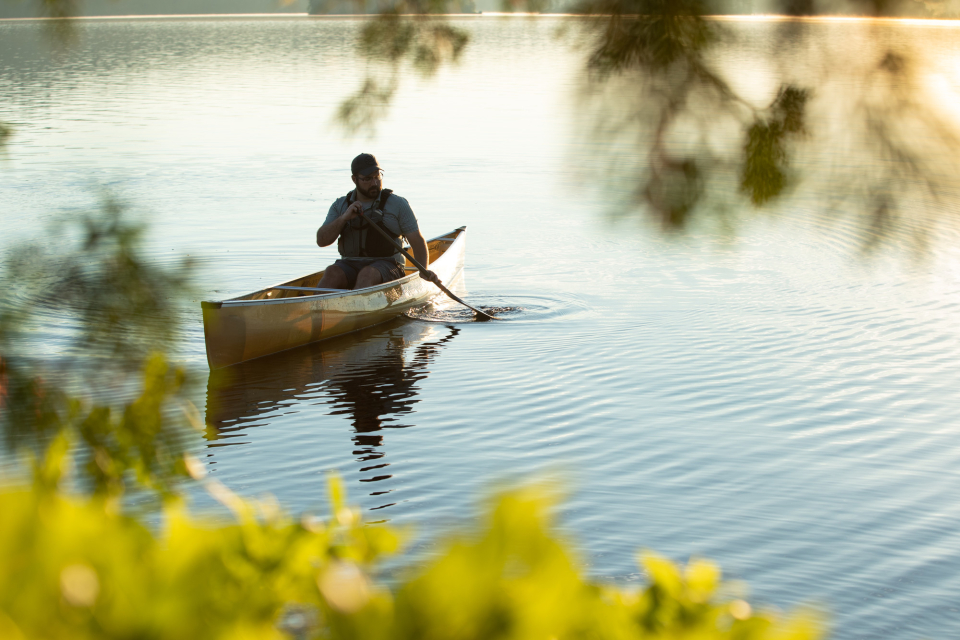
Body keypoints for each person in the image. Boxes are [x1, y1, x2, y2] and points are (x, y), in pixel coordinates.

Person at [316, 153, 441, 290]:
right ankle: (315, 308)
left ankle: (357, 307)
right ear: (354, 179)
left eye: (377, 177)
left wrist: (423, 272)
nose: (374, 183)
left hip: (390, 265)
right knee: (331, 272)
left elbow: (417, 241)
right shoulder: (340, 205)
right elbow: (322, 241)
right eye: (367, 179)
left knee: (367, 274)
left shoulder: (397, 204)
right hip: (350, 264)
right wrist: (344, 218)